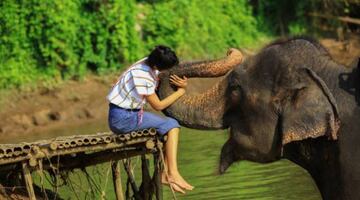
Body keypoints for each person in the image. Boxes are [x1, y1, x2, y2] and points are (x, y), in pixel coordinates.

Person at [107, 45, 193, 193]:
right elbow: (158, 106)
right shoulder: (143, 75)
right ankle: (171, 173)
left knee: (168, 125)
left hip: (127, 114)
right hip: (123, 119)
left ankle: (167, 173)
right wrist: (181, 92)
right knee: (172, 125)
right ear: (157, 65)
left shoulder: (146, 62)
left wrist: (182, 83)